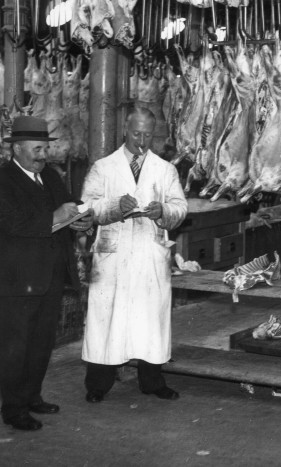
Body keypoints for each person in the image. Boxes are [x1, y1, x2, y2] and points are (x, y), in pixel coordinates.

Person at [81, 107, 187, 403]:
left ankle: (152, 382)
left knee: (149, 321)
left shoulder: (165, 170)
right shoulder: (103, 167)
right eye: (136, 133)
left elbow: (180, 208)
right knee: (106, 320)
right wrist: (115, 206)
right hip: (112, 257)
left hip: (148, 255)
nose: (141, 139)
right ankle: (98, 385)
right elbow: (87, 208)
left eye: (147, 134)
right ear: (125, 131)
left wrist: (163, 211)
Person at [0, 116, 93, 431]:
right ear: (18, 148)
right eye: (37, 149)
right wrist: (55, 216)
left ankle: (32, 396)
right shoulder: (4, 180)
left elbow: (70, 206)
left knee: (41, 343)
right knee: (15, 347)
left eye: (45, 148)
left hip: (51, 275)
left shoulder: (51, 176)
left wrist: (82, 218)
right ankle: (13, 408)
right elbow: (14, 223)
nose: (43, 155)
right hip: (16, 279)